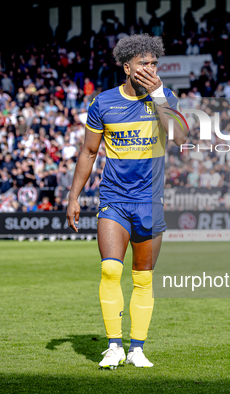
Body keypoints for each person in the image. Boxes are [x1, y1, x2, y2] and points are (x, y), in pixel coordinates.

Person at [66, 34, 188, 369]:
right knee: (109, 270)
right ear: (126, 67)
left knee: (143, 278)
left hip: (150, 201)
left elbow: (179, 136)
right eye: (143, 64)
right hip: (114, 199)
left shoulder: (164, 98)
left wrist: (160, 93)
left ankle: (137, 348)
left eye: (154, 64)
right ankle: (114, 345)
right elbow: (89, 152)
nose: (150, 68)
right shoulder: (103, 103)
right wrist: (73, 196)